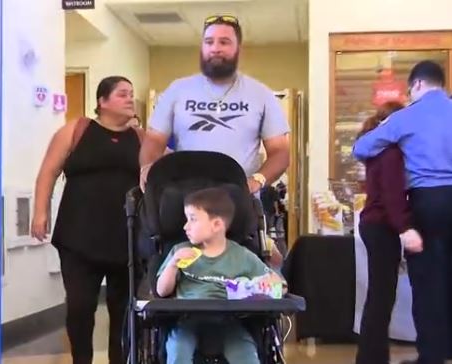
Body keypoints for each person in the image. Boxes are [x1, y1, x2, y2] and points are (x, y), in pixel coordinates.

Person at [352, 61, 452, 364]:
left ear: (416, 85)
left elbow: (361, 148)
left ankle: (433, 357)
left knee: (429, 285)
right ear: (442, 84)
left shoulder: (406, 117)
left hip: (426, 201)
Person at [31, 76, 143, 364]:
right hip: (78, 237)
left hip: (126, 239)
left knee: (123, 310)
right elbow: (48, 172)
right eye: (122, 94)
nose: (130, 98)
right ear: (102, 102)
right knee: (80, 307)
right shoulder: (77, 130)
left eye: (131, 94)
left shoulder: (142, 139)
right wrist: (40, 212)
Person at [138, 14, 290, 195]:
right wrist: (147, 167)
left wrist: (257, 180)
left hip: (238, 199)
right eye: (209, 42)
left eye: (224, 42)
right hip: (186, 200)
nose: (215, 48)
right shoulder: (177, 90)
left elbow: (280, 152)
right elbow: (154, 140)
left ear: (239, 50)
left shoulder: (261, 94)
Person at [155, 187, 286, 364]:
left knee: (245, 353)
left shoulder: (242, 256)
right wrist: (172, 265)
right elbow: (162, 291)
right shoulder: (180, 251)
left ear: (217, 224)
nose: (185, 226)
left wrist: (272, 282)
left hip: (229, 320)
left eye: (192, 219)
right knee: (178, 350)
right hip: (188, 319)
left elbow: (278, 284)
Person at [355, 101, 423, 364]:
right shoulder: (392, 153)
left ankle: (373, 355)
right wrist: (405, 227)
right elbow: (393, 196)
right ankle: (372, 358)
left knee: (379, 295)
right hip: (382, 226)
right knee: (382, 297)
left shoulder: (377, 149)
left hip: (374, 224)